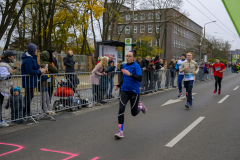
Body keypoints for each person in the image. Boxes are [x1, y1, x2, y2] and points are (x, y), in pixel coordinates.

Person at [114, 50, 147, 139]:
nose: (127, 57)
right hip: (124, 90)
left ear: (133, 58)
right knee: (121, 109)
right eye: (127, 56)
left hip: (134, 91)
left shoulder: (136, 66)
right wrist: (119, 85)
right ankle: (120, 131)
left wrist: (130, 74)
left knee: (134, 113)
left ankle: (140, 107)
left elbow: (140, 78)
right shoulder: (124, 65)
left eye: (129, 56)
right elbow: (124, 78)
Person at [21, 43, 46, 118]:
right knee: (28, 98)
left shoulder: (32, 58)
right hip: (28, 81)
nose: (37, 51)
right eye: (36, 49)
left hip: (32, 81)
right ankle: (24, 113)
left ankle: (28, 113)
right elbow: (30, 71)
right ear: (32, 50)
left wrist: (41, 69)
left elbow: (36, 67)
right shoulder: (28, 59)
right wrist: (40, 71)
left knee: (30, 97)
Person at [0, 51, 18, 126]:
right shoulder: (3, 65)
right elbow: (2, 76)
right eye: (13, 55)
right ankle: (0, 121)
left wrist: (10, 84)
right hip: (1, 87)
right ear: (9, 57)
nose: (14, 57)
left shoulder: (6, 64)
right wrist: (10, 73)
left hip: (3, 86)